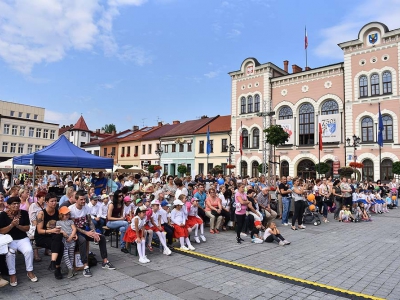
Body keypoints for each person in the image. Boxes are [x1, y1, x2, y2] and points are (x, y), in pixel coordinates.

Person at [69, 190, 116, 277]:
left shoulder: (86, 207)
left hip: (85, 229)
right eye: (81, 199)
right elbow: (73, 226)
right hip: (75, 232)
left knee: (101, 237)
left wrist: (94, 232)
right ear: (76, 200)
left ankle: (105, 261)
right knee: (82, 240)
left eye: (84, 199)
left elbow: (90, 221)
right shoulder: (71, 209)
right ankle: (85, 265)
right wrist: (86, 232)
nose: (83, 201)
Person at [0, 196, 37, 286]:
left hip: (22, 238)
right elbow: (1, 231)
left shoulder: (24, 213)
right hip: (9, 239)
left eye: (18, 203)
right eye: (14, 204)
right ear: (8, 205)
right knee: (10, 253)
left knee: (29, 250)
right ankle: (12, 274)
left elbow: (27, 228)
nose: (16, 205)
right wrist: (11, 225)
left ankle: (29, 271)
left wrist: (18, 226)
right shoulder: (3, 215)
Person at [35, 192, 65, 279]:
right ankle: (57, 267)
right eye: (52, 201)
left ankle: (53, 263)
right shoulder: (41, 213)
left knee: (59, 238)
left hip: (53, 236)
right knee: (60, 245)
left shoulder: (58, 212)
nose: (54, 203)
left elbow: (61, 225)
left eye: (55, 201)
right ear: (46, 202)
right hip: (42, 237)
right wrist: (52, 230)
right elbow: (39, 231)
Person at [56, 206, 78, 278]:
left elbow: (74, 229)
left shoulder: (70, 221)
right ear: (61, 215)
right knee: (65, 255)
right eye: (66, 214)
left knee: (71, 255)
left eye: (68, 214)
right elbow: (58, 230)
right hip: (64, 241)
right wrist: (62, 232)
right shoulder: (58, 222)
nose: (67, 216)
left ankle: (70, 270)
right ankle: (71, 269)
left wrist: (71, 236)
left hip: (71, 240)